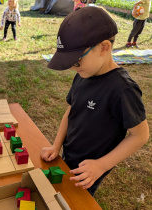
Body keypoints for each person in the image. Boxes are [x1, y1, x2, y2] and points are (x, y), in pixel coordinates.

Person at [41, 7, 149, 196]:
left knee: (77, 200)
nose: (73, 68)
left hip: (90, 169)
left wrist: (101, 165)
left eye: (76, 61)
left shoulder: (123, 89)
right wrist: (56, 146)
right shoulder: (84, 74)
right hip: (69, 155)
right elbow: (71, 110)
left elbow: (140, 135)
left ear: (104, 48)